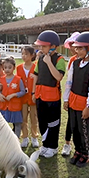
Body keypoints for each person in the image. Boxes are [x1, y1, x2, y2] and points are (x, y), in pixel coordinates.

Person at [63, 31, 89, 168]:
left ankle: (85, 153)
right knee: (74, 127)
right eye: (76, 48)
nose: (77, 50)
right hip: (73, 100)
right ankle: (78, 151)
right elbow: (69, 82)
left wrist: (88, 106)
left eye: (80, 48)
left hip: (83, 103)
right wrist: (66, 99)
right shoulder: (75, 63)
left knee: (83, 129)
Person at [32, 30, 66, 158]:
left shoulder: (59, 59)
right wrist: (33, 92)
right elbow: (35, 75)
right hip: (40, 95)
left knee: (53, 123)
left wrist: (49, 62)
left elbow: (58, 77)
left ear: (53, 46)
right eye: (40, 46)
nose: (41, 48)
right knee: (42, 122)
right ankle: (45, 145)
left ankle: (53, 147)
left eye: (44, 46)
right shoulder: (40, 58)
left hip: (52, 98)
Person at [61, 32, 80, 156]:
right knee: (70, 120)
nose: (72, 48)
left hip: (84, 96)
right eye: (71, 45)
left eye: (75, 45)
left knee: (83, 121)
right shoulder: (72, 60)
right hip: (72, 94)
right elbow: (69, 80)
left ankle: (86, 146)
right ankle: (67, 144)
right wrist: (66, 98)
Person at [17, 46, 39, 148]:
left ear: (32, 55)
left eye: (26, 54)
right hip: (22, 97)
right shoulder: (19, 68)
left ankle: (34, 137)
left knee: (34, 118)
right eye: (22, 54)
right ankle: (25, 137)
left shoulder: (36, 67)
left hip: (33, 97)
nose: (24, 56)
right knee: (23, 118)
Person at [0, 57, 26, 138]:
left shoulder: (18, 79)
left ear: (14, 68)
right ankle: (5, 139)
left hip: (15, 106)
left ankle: (16, 139)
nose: (7, 70)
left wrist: (14, 95)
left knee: (17, 123)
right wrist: (0, 94)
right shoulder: (1, 79)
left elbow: (23, 91)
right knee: (4, 123)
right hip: (4, 106)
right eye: (5, 68)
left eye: (9, 67)